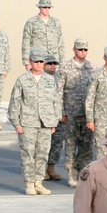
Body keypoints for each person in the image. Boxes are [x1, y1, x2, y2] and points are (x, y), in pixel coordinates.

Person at [8, 48, 63, 195]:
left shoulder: (50, 80)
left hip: (45, 123)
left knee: (42, 153)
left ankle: (38, 182)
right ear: (30, 62)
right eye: (36, 61)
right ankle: (29, 183)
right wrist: (16, 123)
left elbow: (56, 102)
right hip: (28, 123)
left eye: (41, 61)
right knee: (28, 154)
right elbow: (15, 102)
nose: (39, 64)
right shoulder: (22, 80)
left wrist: (54, 122)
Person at [56, 38, 96, 185]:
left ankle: (83, 172)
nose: (83, 52)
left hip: (87, 114)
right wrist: (61, 113)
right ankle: (71, 173)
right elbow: (59, 91)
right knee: (71, 144)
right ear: (74, 50)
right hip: (71, 112)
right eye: (80, 49)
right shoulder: (65, 68)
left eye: (85, 49)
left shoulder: (92, 68)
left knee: (86, 145)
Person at [42, 53, 66, 182]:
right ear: (44, 65)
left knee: (57, 144)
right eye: (49, 63)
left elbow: (63, 97)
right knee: (43, 144)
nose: (52, 66)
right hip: (44, 117)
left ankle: (51, 168)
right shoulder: (41, 78)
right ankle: (41, 169)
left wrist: (63, 113)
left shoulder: (59, 78)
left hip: (59, 117)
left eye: (54, 64)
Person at [21, 0, 63, 67]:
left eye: (49, 7)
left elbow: (60, 43)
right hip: (38, 60)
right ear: (39, 7)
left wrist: (62, 61)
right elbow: (26, 42)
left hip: (54, 60)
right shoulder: (31, 22)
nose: (47, 9)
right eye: (45, 7)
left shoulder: (56, 23)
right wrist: (26, 62)